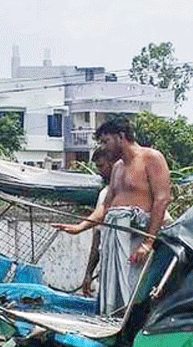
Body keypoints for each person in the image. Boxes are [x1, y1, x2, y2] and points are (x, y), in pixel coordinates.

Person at [55, 116, 172, 316]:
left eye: (106, 141)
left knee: (133, 293)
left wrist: (148, 242)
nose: (104, 146)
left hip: (138, 238)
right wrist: (81, 227)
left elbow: (162, 200)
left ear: (121, 136)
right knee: (112, 294)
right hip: (115, 237)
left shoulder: (151, 158)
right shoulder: (117, 167)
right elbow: (106, 206)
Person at [79, 147, 117, 297]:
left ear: (115, 164)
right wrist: (89, 273)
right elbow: (97, 237)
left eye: (102, 166)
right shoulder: (104, 194)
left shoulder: (134, 191)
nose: (100, 172)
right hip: (107, 267)